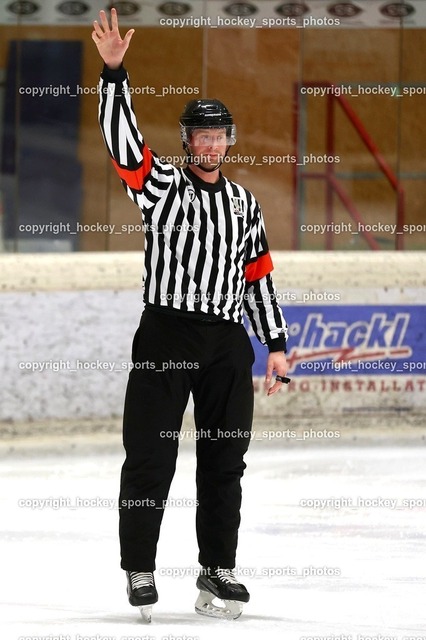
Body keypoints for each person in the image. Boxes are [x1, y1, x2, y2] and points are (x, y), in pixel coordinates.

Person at [92, 7, 289, 622]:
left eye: (218, 136)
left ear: (229, 140)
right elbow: (123, 143)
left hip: (227, 343)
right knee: (150, 456)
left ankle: (217, 567)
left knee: (225, 463)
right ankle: (140, 567)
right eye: (200, 136)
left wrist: (275, 344)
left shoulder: (244, 203)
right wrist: (115, 74)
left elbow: (258, 276)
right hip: (166, 335)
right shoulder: (160, 187)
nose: (209, 145)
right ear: (186, 142)